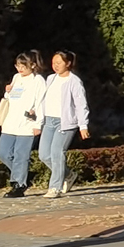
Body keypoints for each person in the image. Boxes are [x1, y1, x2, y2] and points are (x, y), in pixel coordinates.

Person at [0, 51, 48, 198]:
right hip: (10, 122)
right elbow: (11, 98)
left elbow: (41, 102)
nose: (20, 69)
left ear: (33, 65)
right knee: (3, 153)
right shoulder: (16, 77)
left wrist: (38, 123)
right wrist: (8, 91)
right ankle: (24, 175)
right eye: (18, 66)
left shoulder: (38, 81)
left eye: (23, 66)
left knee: (21, 155)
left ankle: (18, 185)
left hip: (27, 123)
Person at [39, 51, 91, 198]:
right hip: (49, 120)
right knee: (44, 155)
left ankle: (55, 187)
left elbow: (81, 104)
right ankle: (68, 174)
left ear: (68, 63)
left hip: (65, 123)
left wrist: (83, 125)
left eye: (59, 63)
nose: (55, 66)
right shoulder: (50, 79)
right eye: (53, 63)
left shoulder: (74, 81)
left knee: (57, 153)